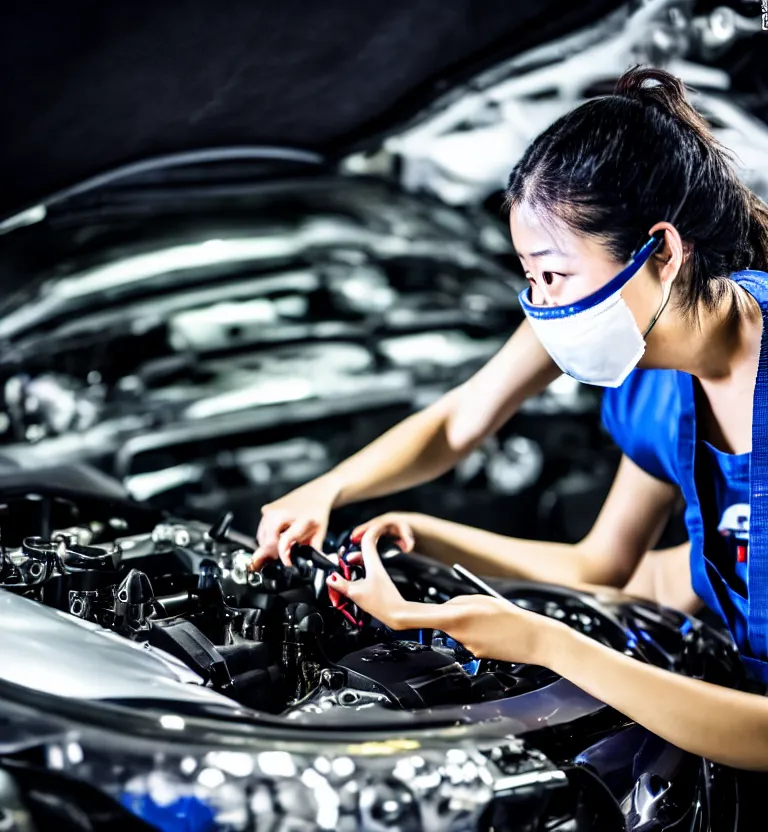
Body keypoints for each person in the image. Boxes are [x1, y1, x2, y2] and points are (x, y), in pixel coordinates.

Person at [254, 65, 768, 771]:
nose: (542, 306)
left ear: (664, 252)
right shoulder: (655, 382)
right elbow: (608, 568)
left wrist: (545, 642)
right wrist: (377, 513)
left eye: (553, 274)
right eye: (528, 276)